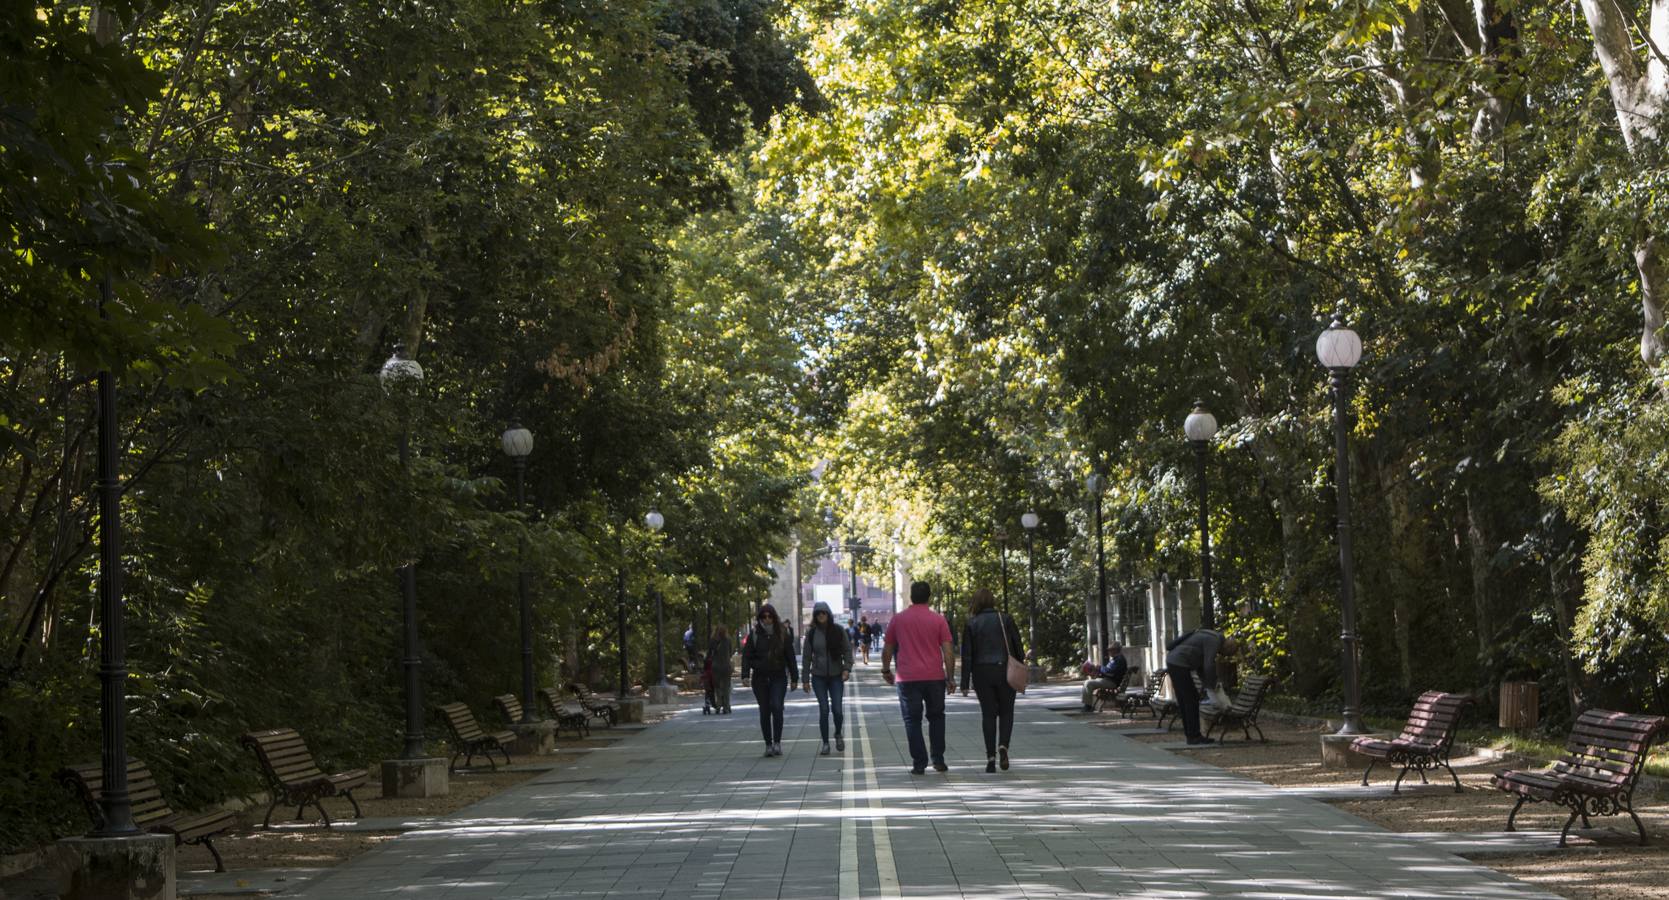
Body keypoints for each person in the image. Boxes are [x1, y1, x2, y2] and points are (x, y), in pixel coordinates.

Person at [881, 581, 955, 774]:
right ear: (929, 597)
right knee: (937, 717)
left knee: (912, 720)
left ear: (911, 597)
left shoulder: (898, 620)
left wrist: (886, 670)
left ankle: (919, 762)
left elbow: (887, 648)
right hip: (934, 677)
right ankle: (938, 759)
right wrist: (950, 677)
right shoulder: (938, 620)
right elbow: (948, 651)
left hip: (907, 678)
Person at [959, 588, 1024, 773]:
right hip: (1005, 670)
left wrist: (965, 682)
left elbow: (967, 656)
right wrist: (1020, 664)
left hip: (981, 672)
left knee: (988, 714)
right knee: (1006, 711)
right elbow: (1018, 647)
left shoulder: (971, 623)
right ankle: (1003, 745)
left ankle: (990, 758)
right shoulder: (1005, 619)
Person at [741, 603, 797, 756]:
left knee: (777, 707)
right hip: (760, 677)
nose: (767, 619)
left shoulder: (782, 633)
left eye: (770, 616)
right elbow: (747, 656)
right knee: (765, 710)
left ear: (774, 617)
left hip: (778, 676)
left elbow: (790, 656)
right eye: (764, 617)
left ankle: (777, 742)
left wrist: (794, 678)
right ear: (760, 618)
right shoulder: (755, 634)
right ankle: (768, 744)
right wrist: (745, 674)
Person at [1165, 629, 1238, 745]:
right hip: (1179, 663)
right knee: (1191, 699)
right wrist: (1212, 684)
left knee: (1185, 700)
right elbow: (1208, 665)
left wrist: (1208, 684)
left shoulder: (1209, 635)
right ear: (1226, 648)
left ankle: (1190, 734)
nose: (1220, 654)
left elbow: (1200, 666)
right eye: (1225, 653)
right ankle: (1194, 736)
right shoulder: (1214, 641)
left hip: (1173, 661)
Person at [800, 601, 854, 754]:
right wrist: (805, 679)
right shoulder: (812, 633)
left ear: (828, 614)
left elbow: (847, 651)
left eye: (823, 613)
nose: (821, 616)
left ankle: (838, 733)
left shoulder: (838, 630)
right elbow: (806, 657)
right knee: (824, 709)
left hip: (836, 675)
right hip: (819, 676)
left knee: (837, 709)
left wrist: (846, 669)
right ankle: (825, 743)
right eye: (818, 613)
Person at [1080, 644, 1129, 712]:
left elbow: (1110, 672)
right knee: (1087, 682)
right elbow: (1109, 672)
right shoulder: (1116, 659)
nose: (1108, 652)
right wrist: (1097, 671)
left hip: (1112, 682)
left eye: (1109, 650)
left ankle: (1088, 706)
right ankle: (1088, 704)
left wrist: (1100, 668)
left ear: (1115, 650)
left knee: (1088, 683)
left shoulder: (1119, 660)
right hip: (1109, 680)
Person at [707, 623, 734, 714]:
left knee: (717, 687)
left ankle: (718, 705)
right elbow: (731, 653)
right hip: (726, 666)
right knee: (726, 687)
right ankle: (726, 706)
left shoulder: (712, 640)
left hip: (716, 667)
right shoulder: (728, 640)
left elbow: (709, 654)